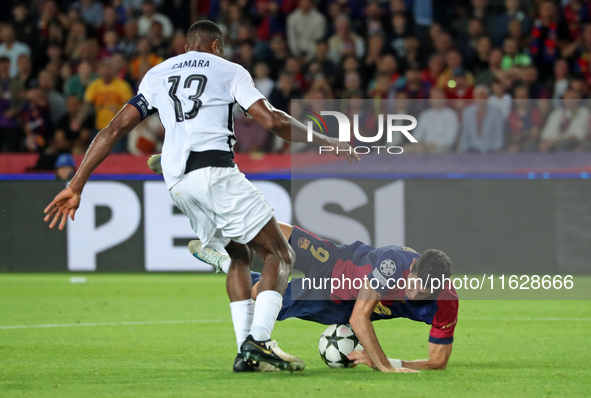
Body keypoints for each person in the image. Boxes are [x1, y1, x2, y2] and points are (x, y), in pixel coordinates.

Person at [43, 20, 357, 373]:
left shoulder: (157, 74)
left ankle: (246, 352)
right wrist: (323, 139)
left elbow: (113, 129)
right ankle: (261, 341)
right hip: (215, 173)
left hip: (178, 184)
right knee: (280, 253)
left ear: (187, 45)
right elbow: (271, 121)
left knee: (239, 254)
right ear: (216, 46)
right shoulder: (229, 70)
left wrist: (76, 184)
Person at [187, 223, 455, 373]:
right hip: (337, 259)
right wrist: (385, 367)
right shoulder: (394, 264)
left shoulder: (446, 303)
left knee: (260, 294)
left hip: (334, 296)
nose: (414, 294)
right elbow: (359, 319)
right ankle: (199, 191)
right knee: (273, 232)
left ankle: (224, 262)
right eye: (414, 284)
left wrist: (392, 362)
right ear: (413, 268)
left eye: (424, 292)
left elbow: (438, 362)